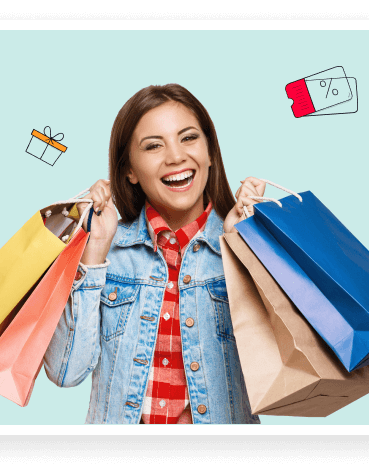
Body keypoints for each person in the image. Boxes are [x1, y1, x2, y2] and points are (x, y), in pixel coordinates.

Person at [44, 84, 266, 424]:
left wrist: (244, 252)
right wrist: (94, 253)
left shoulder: (240, 243)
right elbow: (65, 372)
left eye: (189, 138)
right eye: (153, 145)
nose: (175, 156)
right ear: (129, 170)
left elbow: (279, 374)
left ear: (210, 153)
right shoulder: (109, 253)